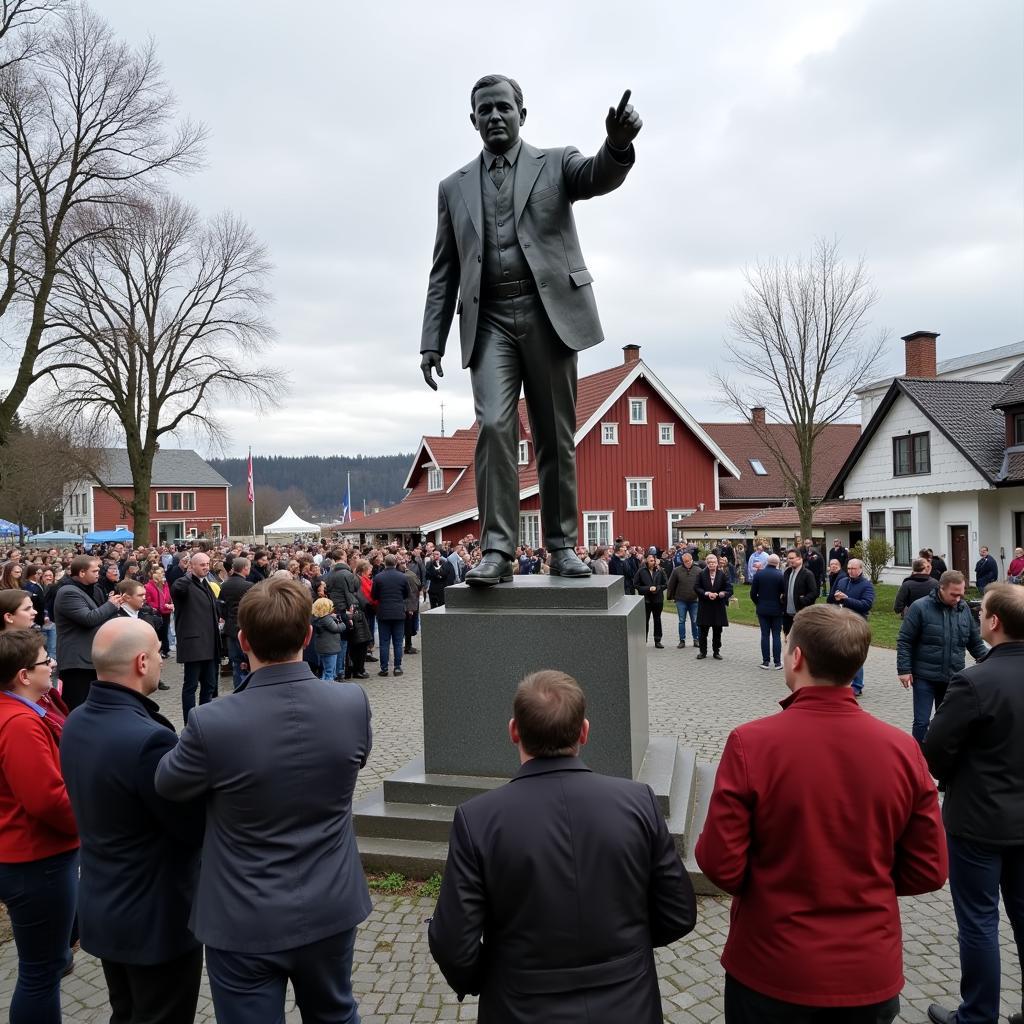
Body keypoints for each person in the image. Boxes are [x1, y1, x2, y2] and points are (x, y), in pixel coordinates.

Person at [419, 75, 641, 586]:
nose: (495, 116)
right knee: (495, 426)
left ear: (523, 113)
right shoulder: (453, 187)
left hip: (548, 313)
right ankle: (497, 549)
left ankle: (561, 545)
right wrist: (432, 339)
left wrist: (618, 144)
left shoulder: (556, 163)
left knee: (553, 432)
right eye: (485, 110)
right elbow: (444, 268)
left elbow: (597, 176)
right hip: (489, 317)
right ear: (472, 119)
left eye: (504, 108)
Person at [695, 605, 948, 1024]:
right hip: (867, 967)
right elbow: (929, 869)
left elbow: (720, 863)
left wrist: (771, 886)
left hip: (772, 962)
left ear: (796, 658)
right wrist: (865, 881)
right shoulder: (903, 749)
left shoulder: (752, 743)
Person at [155, 577, 372, 1024]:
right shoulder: (351, 703)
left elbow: (169, 784)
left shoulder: (211, 721)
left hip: (242, 913)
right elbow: (358, 759)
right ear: (309, 635)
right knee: (336, 1013)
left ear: (242, 640)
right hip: (331, 900)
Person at [428, 669, 696, 1021]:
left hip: (521, 1006)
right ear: (584, 731)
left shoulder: (478, 819)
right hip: (628, 1002)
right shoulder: (637, 802)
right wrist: (626, 953)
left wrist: (492, 978)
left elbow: (452, 942)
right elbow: (677, 912)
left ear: (513, 731)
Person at [60, 618, 205, 1024]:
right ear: (142, 662)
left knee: (125, 1012)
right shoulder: (150, 739)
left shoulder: (77, 721)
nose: (162, 660)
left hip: (105, 907)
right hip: (155, 919)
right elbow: (190, 827)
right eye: (159, 652)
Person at [922, 584, 1024, 1024]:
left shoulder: (974, 679)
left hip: (979, 820)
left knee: (980, 920)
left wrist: (951, 777)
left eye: (983, 613)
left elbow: (936, 748)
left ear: (994, 622)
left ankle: (978, 1015)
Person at [0, 629, 79, 1024]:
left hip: (23, 853)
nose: (51, 665)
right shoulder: (18, 723)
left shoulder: (19, 710)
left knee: (44, 963)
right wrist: (87, 822)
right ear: (23, 675)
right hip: (37, 859)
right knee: (41, 971)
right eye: (44, 661)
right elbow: (46, 799)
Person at [897, 569, 987, 745]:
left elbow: (975, 642)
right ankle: (919, 759)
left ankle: (941, 757)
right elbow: (905, 640)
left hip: (953, 676)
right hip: (925, 676)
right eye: (954, 595)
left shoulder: (964, 610)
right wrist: (904, 669)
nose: (958, 599)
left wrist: (992, 662)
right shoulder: (920, 607)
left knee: (947, 721)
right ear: (941, 588)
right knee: (922, 721)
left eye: (961, 594)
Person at [53, 554, 123, 710]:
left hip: (86, 661)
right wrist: (110, 605)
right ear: (82, 573)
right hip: (76, 663)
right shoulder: (68, 592)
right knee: (77, 707)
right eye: (94, 570)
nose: (99, 573)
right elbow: (88, 618)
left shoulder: (86, 590)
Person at [171, 550, 221, 722]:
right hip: (194, 645)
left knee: (209, 685)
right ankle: (190, 722)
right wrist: (187, 573)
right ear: (192, 566)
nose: (206, 567)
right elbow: (178, 590)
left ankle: (205, 720)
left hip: (210, 644)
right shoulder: (182, 583)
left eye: (207, 564)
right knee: (191, 685)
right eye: (202, 565)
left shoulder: (206, 583)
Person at [832, 557, 875, 697]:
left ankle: (857, 685)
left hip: (858, 623)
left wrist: (846, 599)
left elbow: (866, 605)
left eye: (854, 568)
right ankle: (841, 682)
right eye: (849, 568)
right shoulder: (843, 581)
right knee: (839, 654)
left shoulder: (867, 585)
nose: (850, 571)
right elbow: (832, 599)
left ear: (860, 569)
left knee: (855, 655)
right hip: (841, 622)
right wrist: (836, 597)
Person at [116, 579, 170, 689]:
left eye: (144, 594)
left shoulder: (144, 614)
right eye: (140, 595)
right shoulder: (117, 618)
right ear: (127, 597)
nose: (144, 598)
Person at [370, 553, 411, 676]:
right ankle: (397, 667)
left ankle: (384, 668)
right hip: (398, 612)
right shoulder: (402, 577)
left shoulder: (378, 577)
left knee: (384, 642)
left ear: (385, 563)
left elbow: (374, 595)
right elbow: (407, 594)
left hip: (383, 612)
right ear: (396, 563)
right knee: (398, 642)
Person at [217, 556, 253, 689]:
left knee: (236, 663)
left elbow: (221, 606)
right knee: (248, 662)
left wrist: (227, 618)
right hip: (245, 628)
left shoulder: (225, 585)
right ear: (244, 569)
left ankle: (238, 690)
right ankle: (248, 689)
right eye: (249, 567)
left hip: (231, 629)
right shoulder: (248, 586)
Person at [750, 553, 785, 670]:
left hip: (762, 608)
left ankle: (765, 662)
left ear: (766, 562)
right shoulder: (781, 575)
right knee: (776, 635)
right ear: (778, 563)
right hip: (777, 609)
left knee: (764, 635)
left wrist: (758, 603)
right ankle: (777, 662)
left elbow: (752, 593)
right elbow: (784, 593)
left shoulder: (759, 575)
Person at [695, 552, 733, 660]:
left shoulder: (722, 575)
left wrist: (722, 594)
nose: (712, 564)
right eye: (709, 562)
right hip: (705, 606)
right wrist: (707, 593)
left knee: (717, 631)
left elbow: (729, 589)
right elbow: (696, 587)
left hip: (718, 607)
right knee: (703, 632)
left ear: (717, 563)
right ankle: (703, 652)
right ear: (707, 563)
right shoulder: (701, 574)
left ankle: (716, 651)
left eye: (713, 562)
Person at [666, 550, 701, 648]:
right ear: (682, 561)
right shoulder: (677, 570)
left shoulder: (698, 570)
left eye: (688, 561)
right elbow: (671, 584)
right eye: (685, 561)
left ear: (692, 560)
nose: (687, 563)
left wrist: (702, 596)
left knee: (695, 620)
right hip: (681, 600)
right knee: (681, 620)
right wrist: (670, 597)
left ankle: (696, 639)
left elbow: (702, 585)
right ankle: (682, 640)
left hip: (694, 600)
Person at [633, 551, 667, 648]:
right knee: (645, 620)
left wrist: (657, 588)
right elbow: (636, 585)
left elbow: (665, 584)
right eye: (651, 561)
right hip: (646, 600)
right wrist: (648, 588)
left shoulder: (660, 570)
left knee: (657, 619)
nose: (653, 562)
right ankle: (644, 641)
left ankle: (658, 640)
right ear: (647, 561)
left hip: (658, 599)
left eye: (654, 561)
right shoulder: (641, 571)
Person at [781, 548, 818, 637]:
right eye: (788, 558)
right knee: (788, 641)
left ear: (800, 559)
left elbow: (814, 592)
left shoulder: (807, 574)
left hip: (801, 615)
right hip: (787, 616)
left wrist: (803, 600)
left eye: (792, 558)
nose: (790, 560)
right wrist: (783, 598)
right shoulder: (787, 573)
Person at [311, 596, 348, 682]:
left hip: (322, 648)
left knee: (326, 669)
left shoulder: (316, 618)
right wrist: (340, 621)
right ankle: (328, 689)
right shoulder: (326, 619)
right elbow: (337, 628)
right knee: (329, 672)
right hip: (329, 648)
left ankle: (325, 686)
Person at [144, 565, 174, 657]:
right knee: (158, 632)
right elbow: (148, 601)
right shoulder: (148, 586)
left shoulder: (165, 584)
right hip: (156, 613)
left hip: (166, 611)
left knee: (165, 630)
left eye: (163, 573)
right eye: (160, 573)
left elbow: (168, 596)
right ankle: (159, 650)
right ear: (154, 574)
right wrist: (159, 606)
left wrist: (170, 604)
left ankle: (165, 650)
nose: (162, 575)